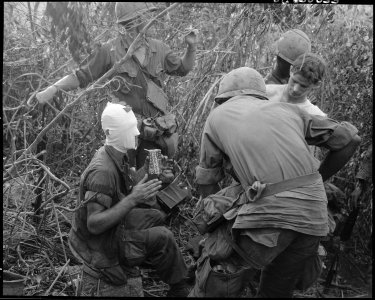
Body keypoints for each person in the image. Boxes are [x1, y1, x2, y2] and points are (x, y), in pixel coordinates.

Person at [190, 67, 361, 297]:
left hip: (271, 213)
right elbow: (350, 139)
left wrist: (213, 227)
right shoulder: (289, 110)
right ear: (260, 94)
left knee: (218, 273)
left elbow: (207, 181)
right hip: (314, 217)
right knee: (276, 291)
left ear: (224, 97)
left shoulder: (218, 116)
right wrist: (317, 180)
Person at [35, 2, 198, 169]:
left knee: (153, 176)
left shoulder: (160, 48)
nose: (152, 20)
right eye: (147, 15)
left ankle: (150, 190)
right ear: (136, 21)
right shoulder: (110, 51)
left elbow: (183, 69)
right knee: (123, 177)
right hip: (124, 136)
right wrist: (53, 89)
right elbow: (81, 76)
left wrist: (191, 47)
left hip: (153, 137)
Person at [68, 102, 190, 297]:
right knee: (163, 236)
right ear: (111, 132)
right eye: (130, 128)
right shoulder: (102, 172)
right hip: (100, 244)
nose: (136, 132)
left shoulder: (117, 154)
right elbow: (94, 224)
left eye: (135, 126)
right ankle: (179, 289)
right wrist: (133, 199)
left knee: (156, 216)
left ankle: (144, 261)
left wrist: (155, 175)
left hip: (112, 230)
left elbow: (127, 187)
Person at [266, 52, 327, 117]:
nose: (295, 89)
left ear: (317, 84)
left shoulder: (315, 116)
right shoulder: (265, 92)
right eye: (294, 81)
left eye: (303, 86)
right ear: (291, 70)